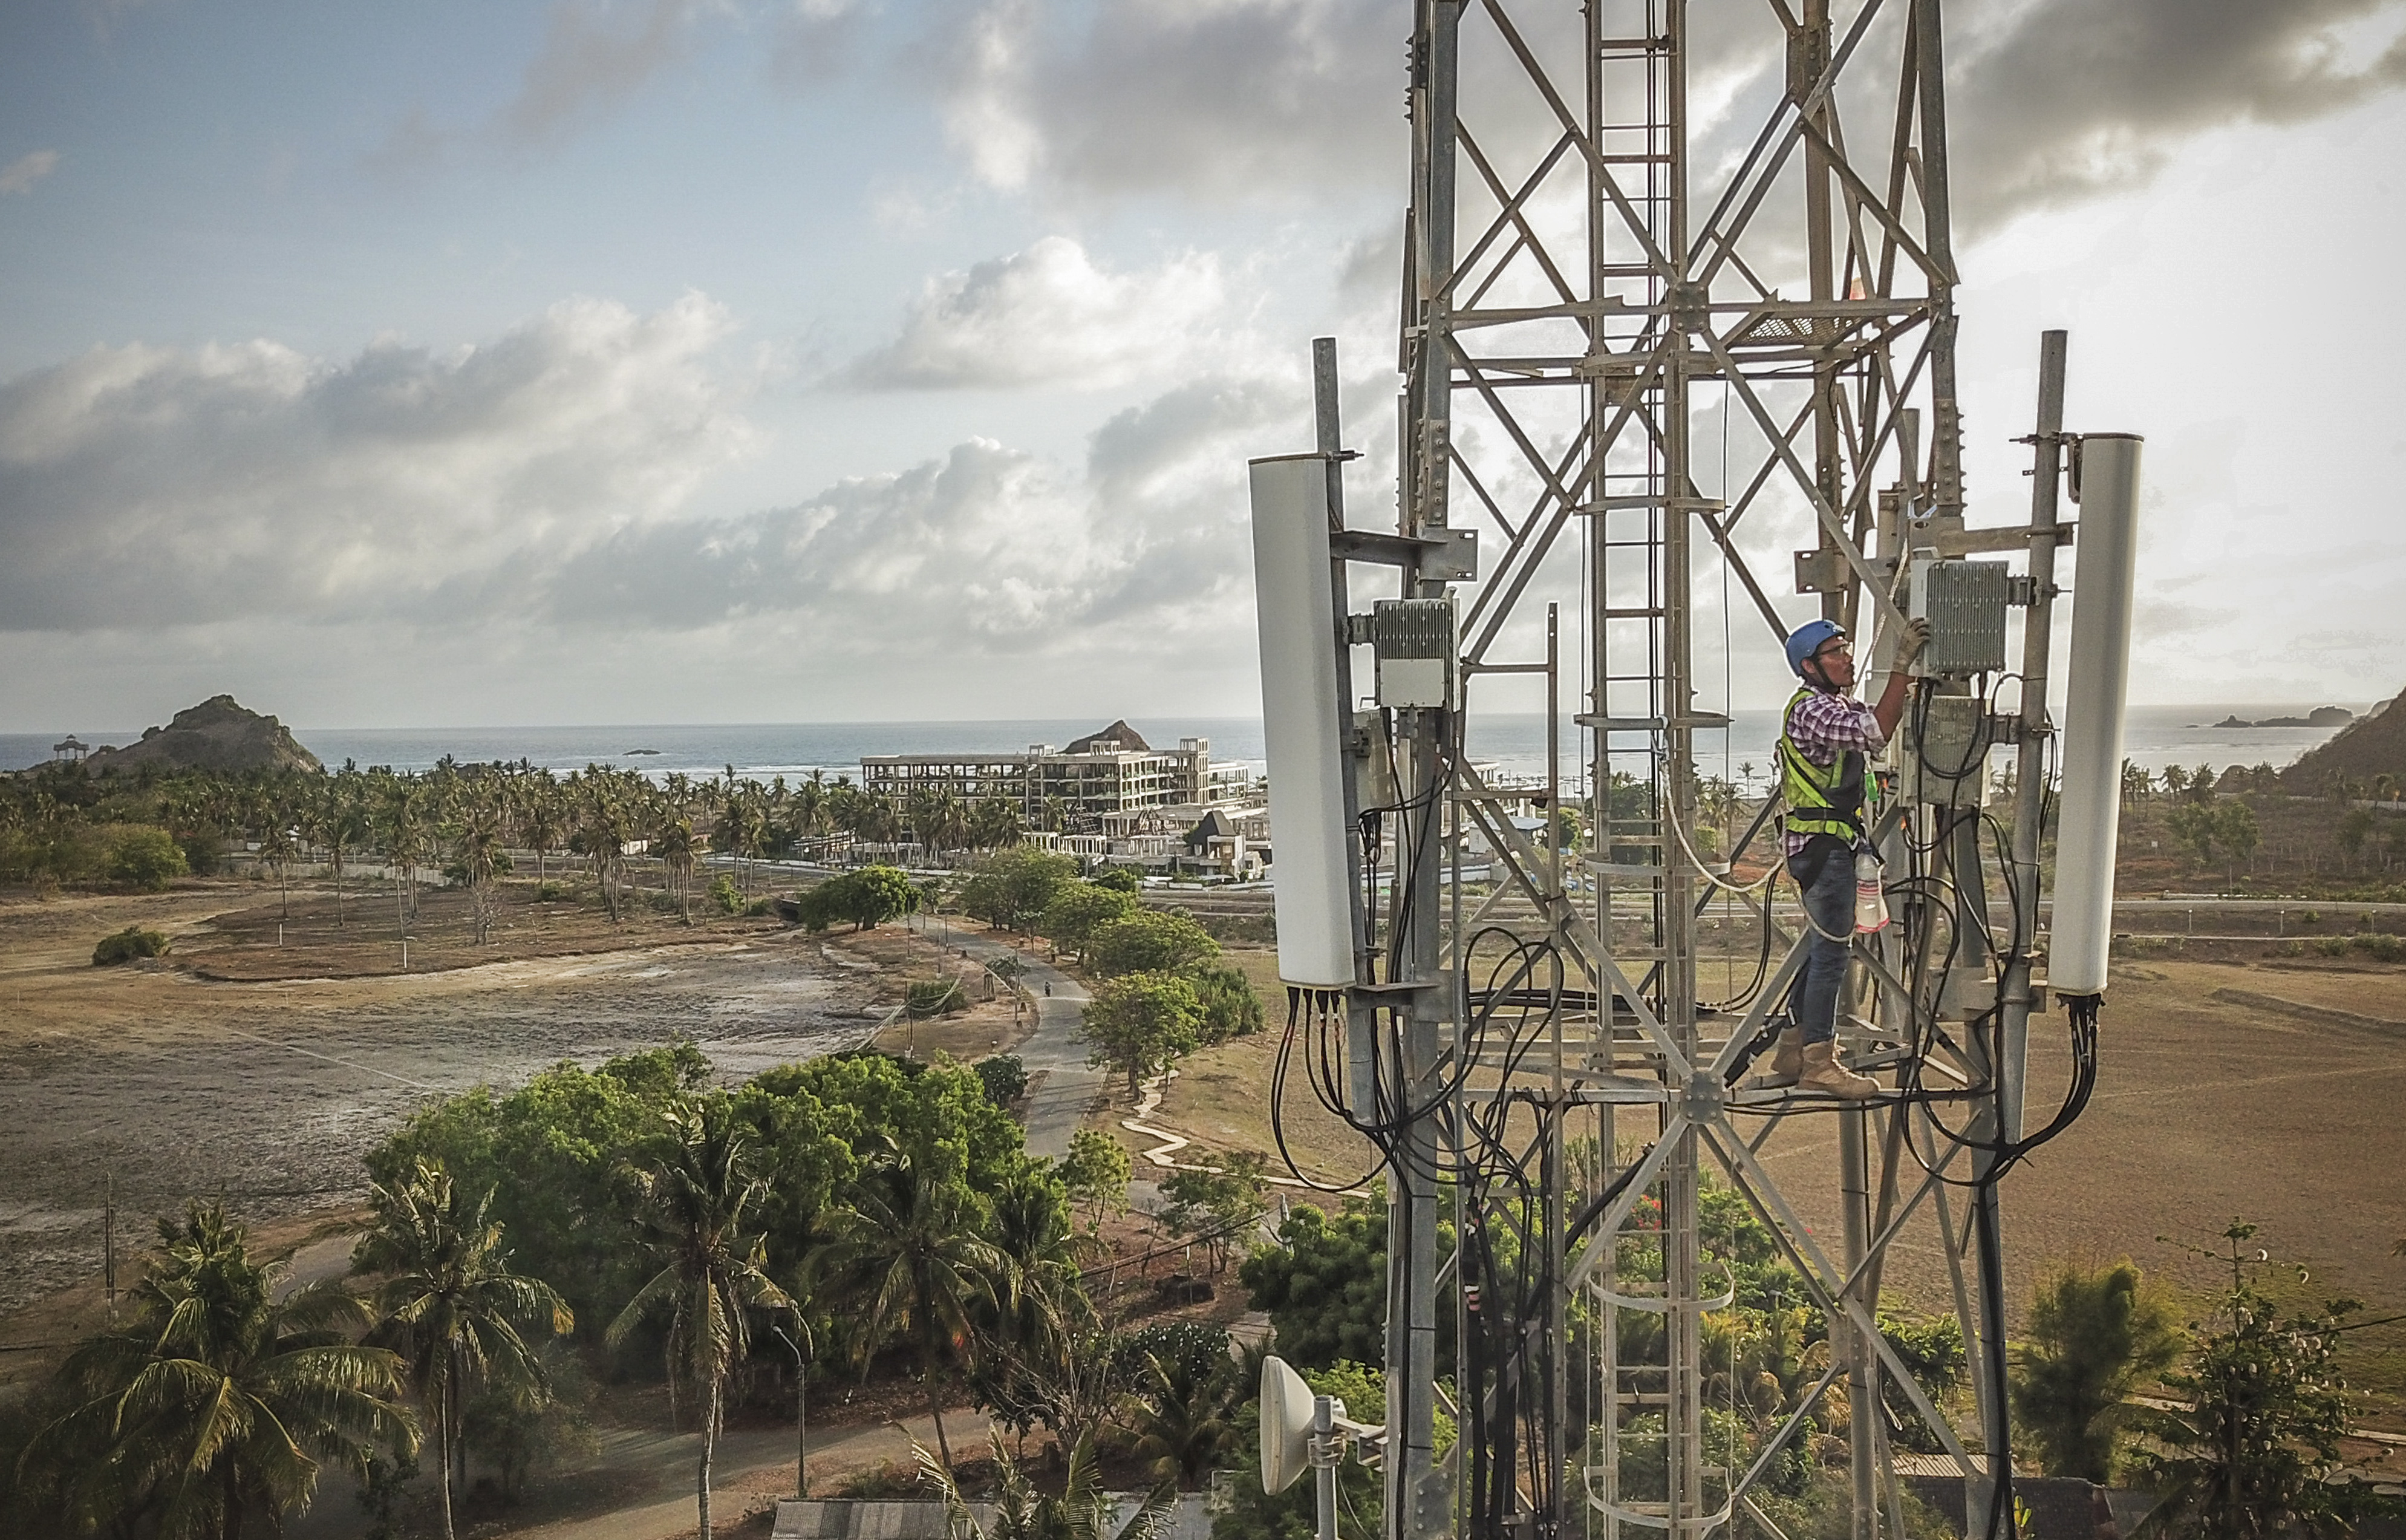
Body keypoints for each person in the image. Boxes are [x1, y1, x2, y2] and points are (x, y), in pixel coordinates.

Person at [1760, 613, 1930, 1097]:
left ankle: (1795, 1049)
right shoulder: (1813, 711)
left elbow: (1871, 722)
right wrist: (1901, 667)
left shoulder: (1833, 704)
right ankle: (1819, 1059)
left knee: (1822, 953)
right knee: (1832, 955)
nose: (1846, 659)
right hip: (1824, 848)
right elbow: (1876, 730)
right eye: (1834, 654)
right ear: (1810, 667)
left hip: (1831, 845)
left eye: (1846, 650)